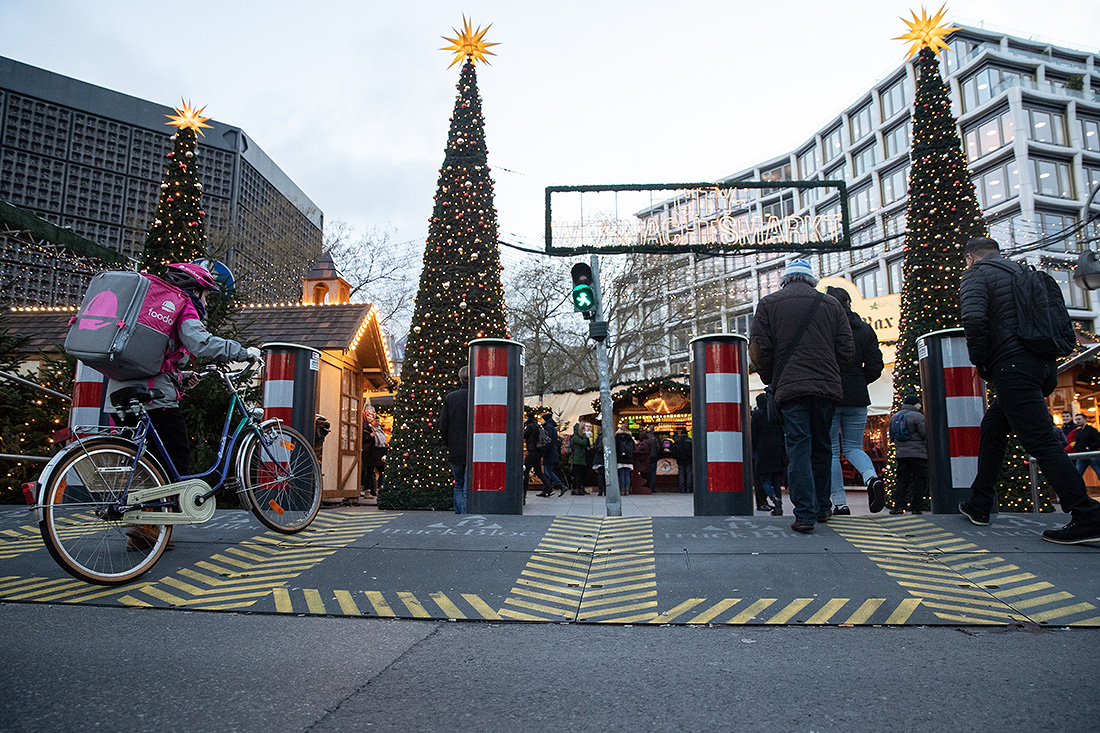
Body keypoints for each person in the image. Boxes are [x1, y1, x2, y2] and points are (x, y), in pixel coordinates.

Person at [105, 262, 261, 551]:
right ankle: (149, 528)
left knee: (143, 463)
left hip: (119, 394)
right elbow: (200, 342)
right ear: (193, 290)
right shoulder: (180, 304)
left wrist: (180, 376)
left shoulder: (146, 309)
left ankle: (144, 526)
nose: (205, 301)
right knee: (173, 459)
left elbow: (152, 357)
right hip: (155, 398)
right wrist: (242, 351)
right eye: (205, 295)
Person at [958, 236, 1100, 544]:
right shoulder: (1024, 272)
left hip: (1012, 367)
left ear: (971, 258)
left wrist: (982, 364)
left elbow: (973, 319)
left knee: (1041, 442)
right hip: (1043, 365)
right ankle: (979, 503)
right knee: (993, 427)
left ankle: (1087, 513)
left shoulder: (976, 274)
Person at [749, 258, 855, 533]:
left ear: (785, 280)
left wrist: (771, 377)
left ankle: (804, 514)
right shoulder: (831, 305)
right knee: (823, 447)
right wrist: (830, 371)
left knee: (798, 448)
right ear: (812, 280)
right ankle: (822, 507)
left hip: (790, 389)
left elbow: (759, 348)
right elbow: (846, 349)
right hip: (826, 390)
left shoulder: (769, 304)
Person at [824, 286, 886, 515]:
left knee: (830, 450)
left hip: (830, 394)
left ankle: (840, 503)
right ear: (849, 302)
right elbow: (875, 366)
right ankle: (871, 478)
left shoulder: (827, 329)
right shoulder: (866, 330)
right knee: (853, 447)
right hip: (857, 394)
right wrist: (860, 380)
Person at [890, 394, 927, 515]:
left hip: (901, 454)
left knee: (902, 481)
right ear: (915, 404)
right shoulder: (918, 416)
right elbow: (924, 434)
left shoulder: (895, 416)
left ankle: (898, 506)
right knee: (919, 481)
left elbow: (891, 436)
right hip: (918, 454)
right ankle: (916, 508)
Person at [439, 366, 469, 514]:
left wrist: (449, 443)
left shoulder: (450, 398)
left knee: (458, 484)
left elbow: (443, 425)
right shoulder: (478, 396)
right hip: (474, 448)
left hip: (456, 448)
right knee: (467, 485)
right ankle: (465, 514)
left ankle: (459, 514)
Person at [751, 392, 786, 515]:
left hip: (763, 449)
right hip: (777, 448)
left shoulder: (757, 415)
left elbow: (753, 435)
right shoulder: (775, 413)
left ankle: (772, 497)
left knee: (765, 479)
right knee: (775, 479)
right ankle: (779, 503)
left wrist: (754, 448)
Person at [523, 413, 562, 497]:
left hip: (532, 451)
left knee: (525, 471)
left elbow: (523, 435)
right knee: (538, 471)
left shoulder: (530, 426)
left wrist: (522, 428)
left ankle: (524, 492)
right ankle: (548, 487)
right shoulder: (537, 426)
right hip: (538, 451)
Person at [361, 406, 387, 499]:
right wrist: (369, 436)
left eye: (378, 421)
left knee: (381, 472)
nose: (377, 423)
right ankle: (368, 491)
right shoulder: (367, 428)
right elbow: (364, 439)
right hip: (371, 453)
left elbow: (382, 440)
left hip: (379, 452)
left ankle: (379, 489)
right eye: (376, 421)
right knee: (370, 472)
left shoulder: (379, 429)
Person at [541, 413, 568, 497]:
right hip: (552, 452)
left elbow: (548, 440)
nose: (541, 421)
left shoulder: (548, 427)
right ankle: (547, 489)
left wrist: (544, 451)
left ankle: (561, 485)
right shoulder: (551, 427)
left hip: (549, 452)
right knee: (546, 471)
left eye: (542, 419)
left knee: (548, 471)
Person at [1070, 414, 1100, 480]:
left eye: (1079, 419)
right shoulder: (1078, 431)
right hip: (1081, 456)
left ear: (1085, 419)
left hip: (1092, 455)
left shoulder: (1092, 430)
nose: (1078, 421)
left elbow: (1099, 441)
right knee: (1077, 476)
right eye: (1076, 420)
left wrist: (1090, 447)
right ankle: (1079, 489)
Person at [568, 422, 590, 495]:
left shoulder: (576, 437)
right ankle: (577, 488)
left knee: (579, 474)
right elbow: (583, 442)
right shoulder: (575, 437)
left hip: (579, 458)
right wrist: (584, 436)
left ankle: (576, 488)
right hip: (577, 459)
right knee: (578, 474)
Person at [614, 422, 635, 496]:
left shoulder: (617, 436)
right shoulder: (630, 437)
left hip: (620, 457)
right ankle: (627, 490)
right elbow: (633, 447)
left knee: (621, 474)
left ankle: (622, 490)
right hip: (628, 458)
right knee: (627, 474)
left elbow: (615, 447)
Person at [672, 427, 693, 493]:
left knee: (681, 473)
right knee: (689, 473)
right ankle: (689, 488)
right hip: (688, 459)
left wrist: (676, 457)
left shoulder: (677, 441)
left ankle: (682, 488)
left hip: (680, 459)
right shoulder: (689, 440)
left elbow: (674, 449)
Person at [633, 429, 652, 494]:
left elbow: (638, 450)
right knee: (648, 474)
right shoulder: (649, 442)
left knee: (643, 473)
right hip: (648, 459)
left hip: (643, 460)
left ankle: (645, 486)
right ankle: (649, 487)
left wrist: (636, 444)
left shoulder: (643, 443)